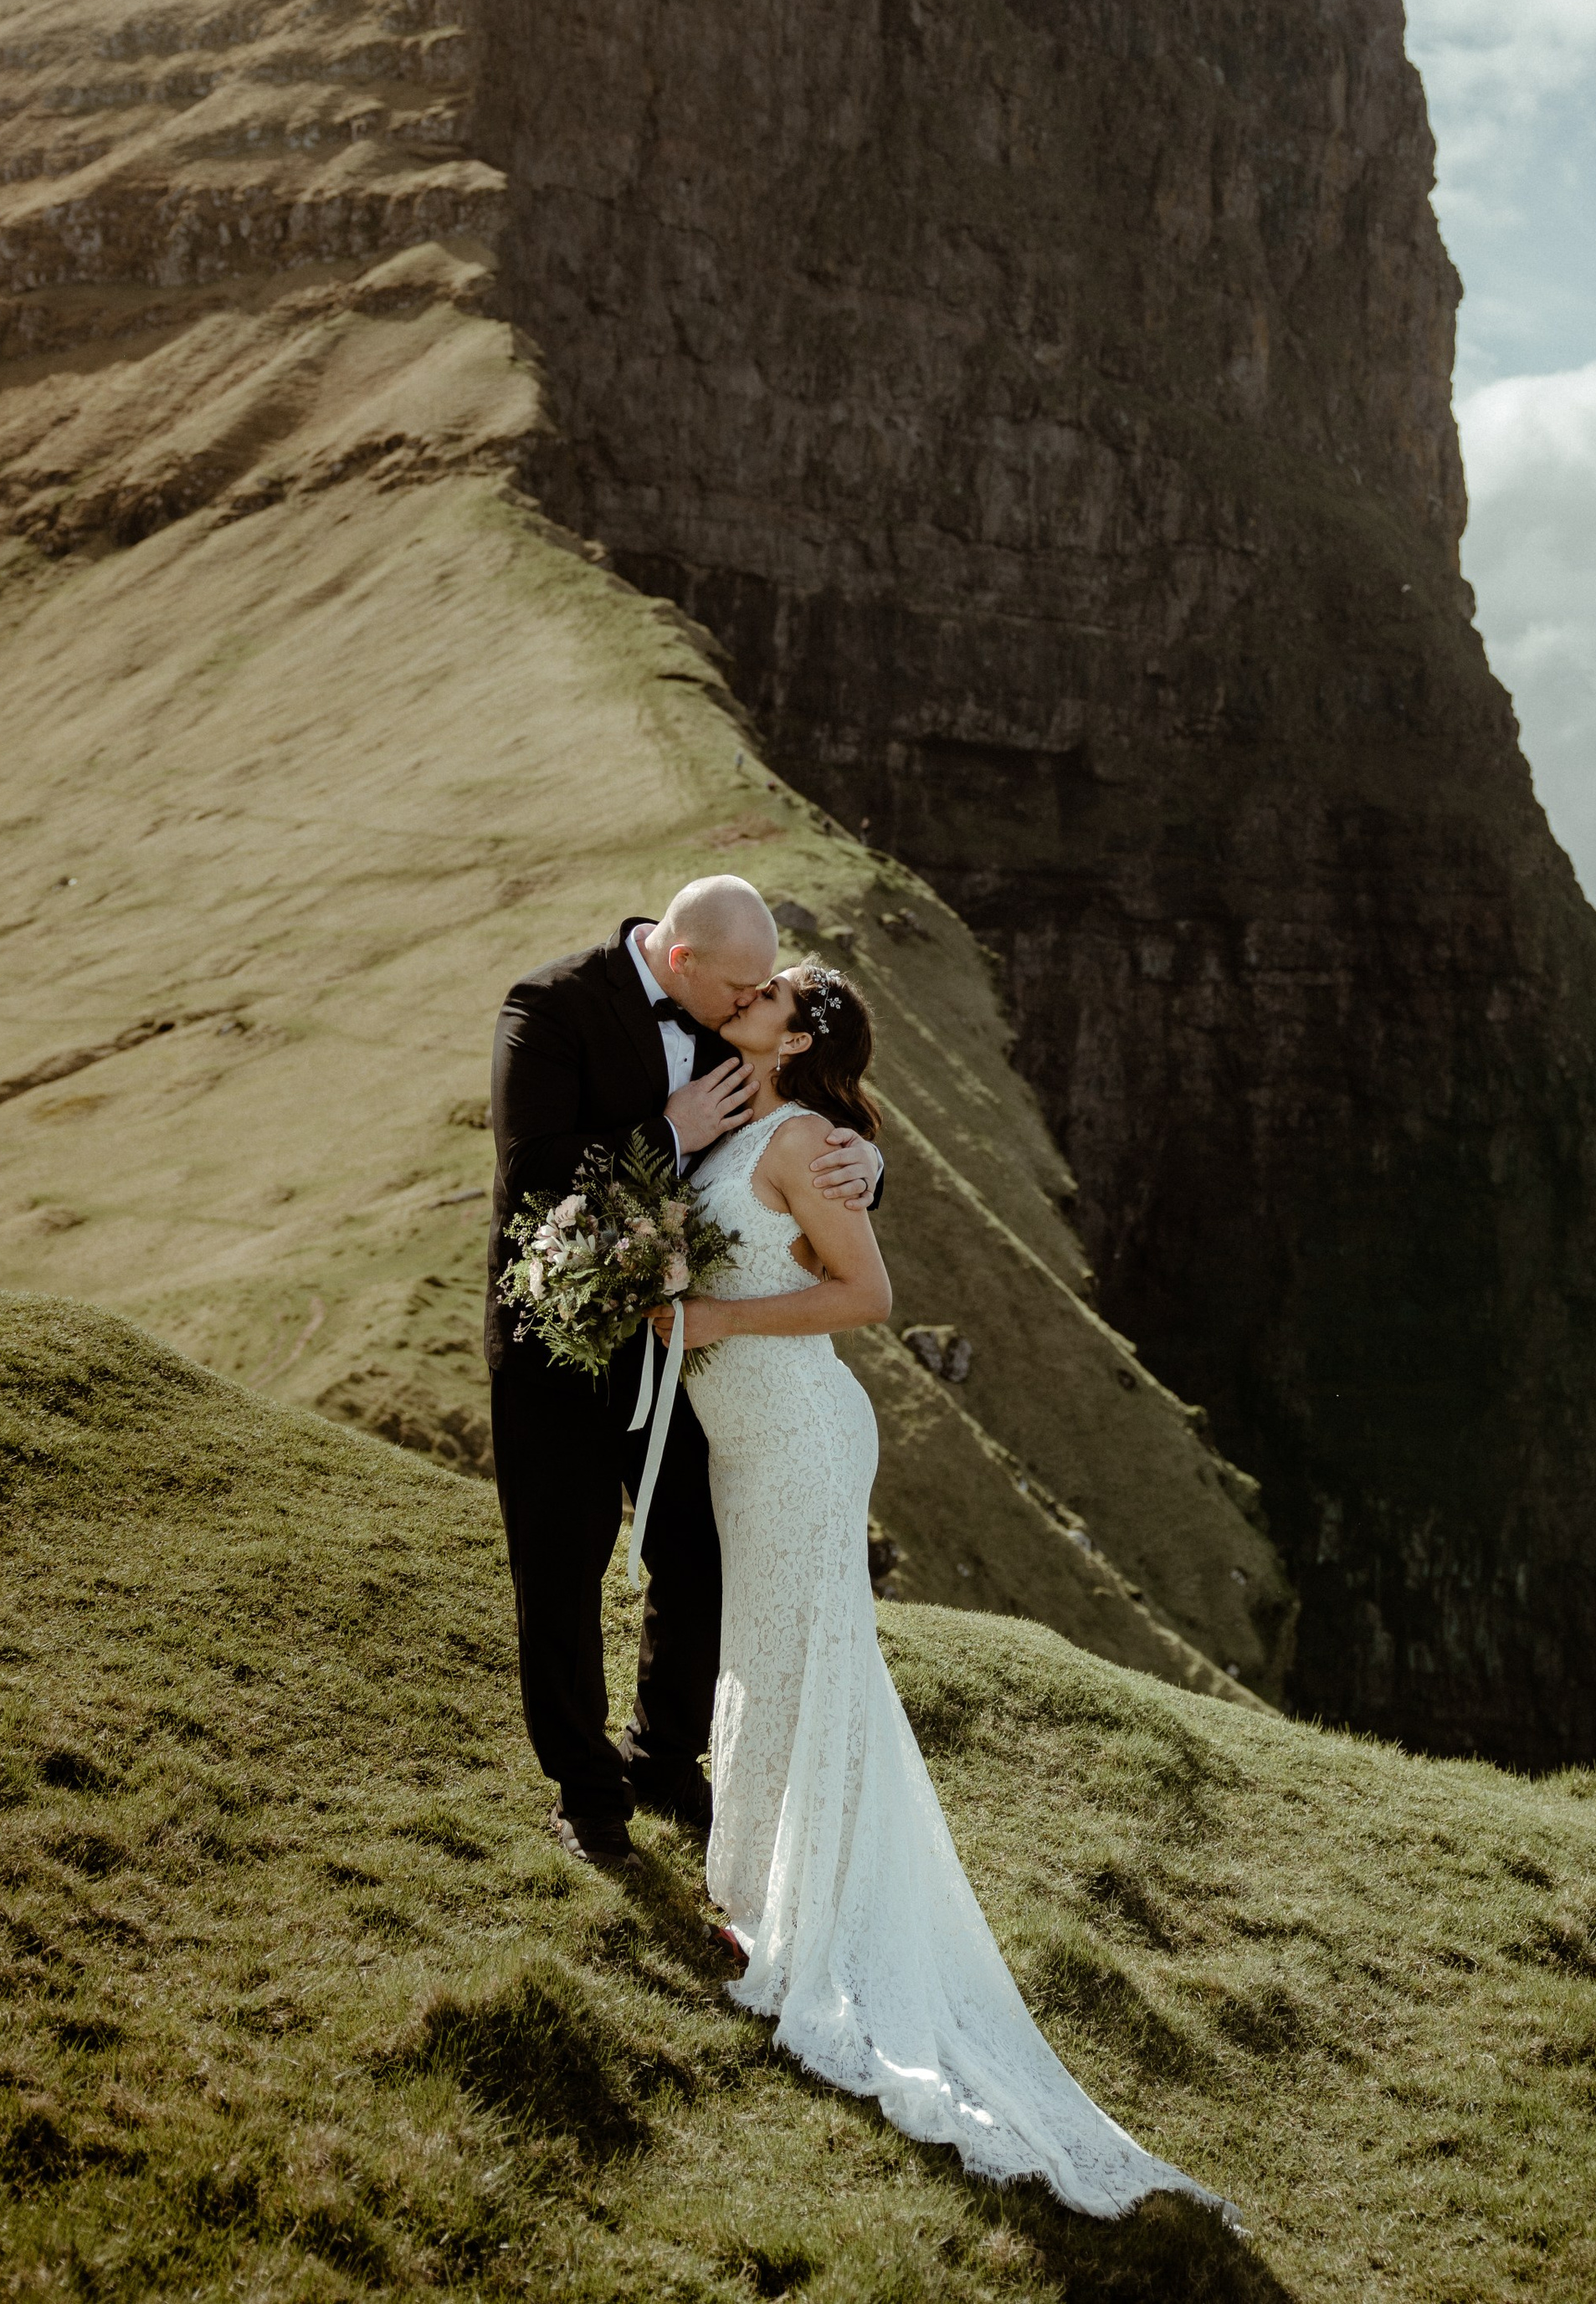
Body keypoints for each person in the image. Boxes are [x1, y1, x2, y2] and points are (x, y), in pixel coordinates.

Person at [652, 957, 1229, 2224]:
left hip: (798, 1424)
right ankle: (755, 1886)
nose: (739, 1000)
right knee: (769, 1649)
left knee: (808, 1656)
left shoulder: (802, 1136)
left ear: (799, 1037)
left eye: (764, 1000)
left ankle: (792, 1911)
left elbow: (870, 1293)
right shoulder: (740, 1107)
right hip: (749, 1433)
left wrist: (713, 1322)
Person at [486, 875, 883, 1865]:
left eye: (762, 993)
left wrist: (866, 1163)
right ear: (682, 962)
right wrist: (669, 1131)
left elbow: (808, 1106)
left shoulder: (735, 1020)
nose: (748, 1005)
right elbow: (534, 1169)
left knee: (699, 1558)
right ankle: (586, 1796)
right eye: (738, 988)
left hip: (691, 1364)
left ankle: (663, 1756)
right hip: (560, 1346)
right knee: (563, 1567)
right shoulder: (548, 1005)